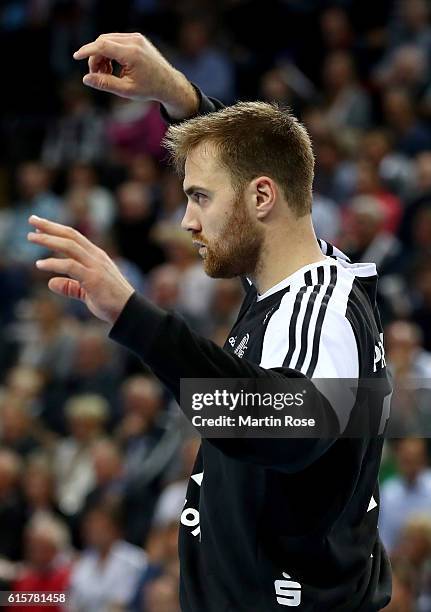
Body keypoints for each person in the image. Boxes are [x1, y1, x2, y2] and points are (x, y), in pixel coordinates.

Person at [27, 33, 393, 611]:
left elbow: (285, 428)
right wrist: (177, 94)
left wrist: (133, 314)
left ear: (261, 200)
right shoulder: (299, 275)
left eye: (199, 198)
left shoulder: (320, 310)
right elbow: (257, 157)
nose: (186, 220)